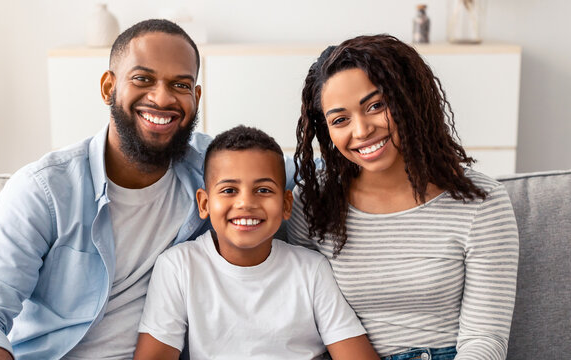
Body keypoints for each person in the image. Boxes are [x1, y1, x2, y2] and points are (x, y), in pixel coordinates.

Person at [0, 19, 213, 360]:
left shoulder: (215, 173)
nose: (162, 97)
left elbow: (294, 172)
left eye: (181, 85)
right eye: (143, 79)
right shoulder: (45, 190)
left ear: (196, 97)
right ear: (108, 87)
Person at [288, 35, 519, 360]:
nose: (362, 130)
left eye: (376, 106)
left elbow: (484, 339)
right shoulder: (313, 202)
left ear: (410, 98)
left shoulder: (481, 202)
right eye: (340, 119)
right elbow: (301, 323)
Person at [133, 125, 380, 360]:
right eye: (229, 190)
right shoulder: (178, 267)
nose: (246, 203)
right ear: (204, 204)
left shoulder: (312, 270)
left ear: (286, 205)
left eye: (263, 190)